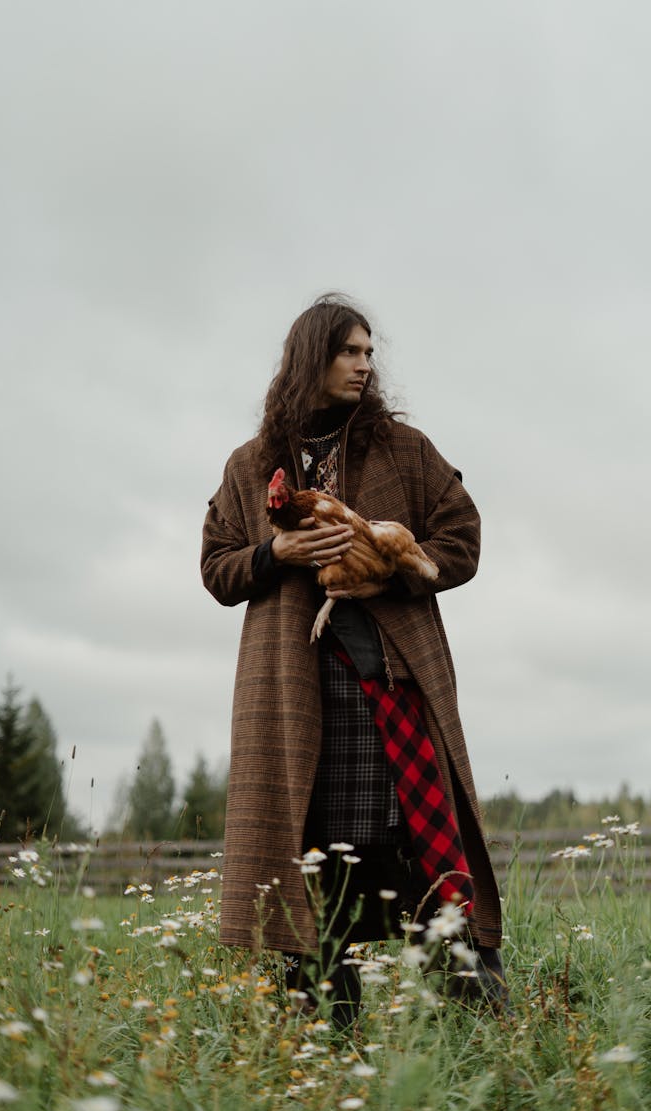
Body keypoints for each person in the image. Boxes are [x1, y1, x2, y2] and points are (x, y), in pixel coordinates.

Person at [201, 294, 506, 1026]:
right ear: (313, 357)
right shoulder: (250, 466)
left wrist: (399, 564)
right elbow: (216, 567)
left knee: (425, 840)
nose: (365, 364)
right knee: (306, 847)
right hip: (293, 691)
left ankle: (471, 1007)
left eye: (370, 352)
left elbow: (461, 536)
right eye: (349, 351)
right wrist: (276, 552)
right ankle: (322, 1026)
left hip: (394, 680)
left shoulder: (404, 449)